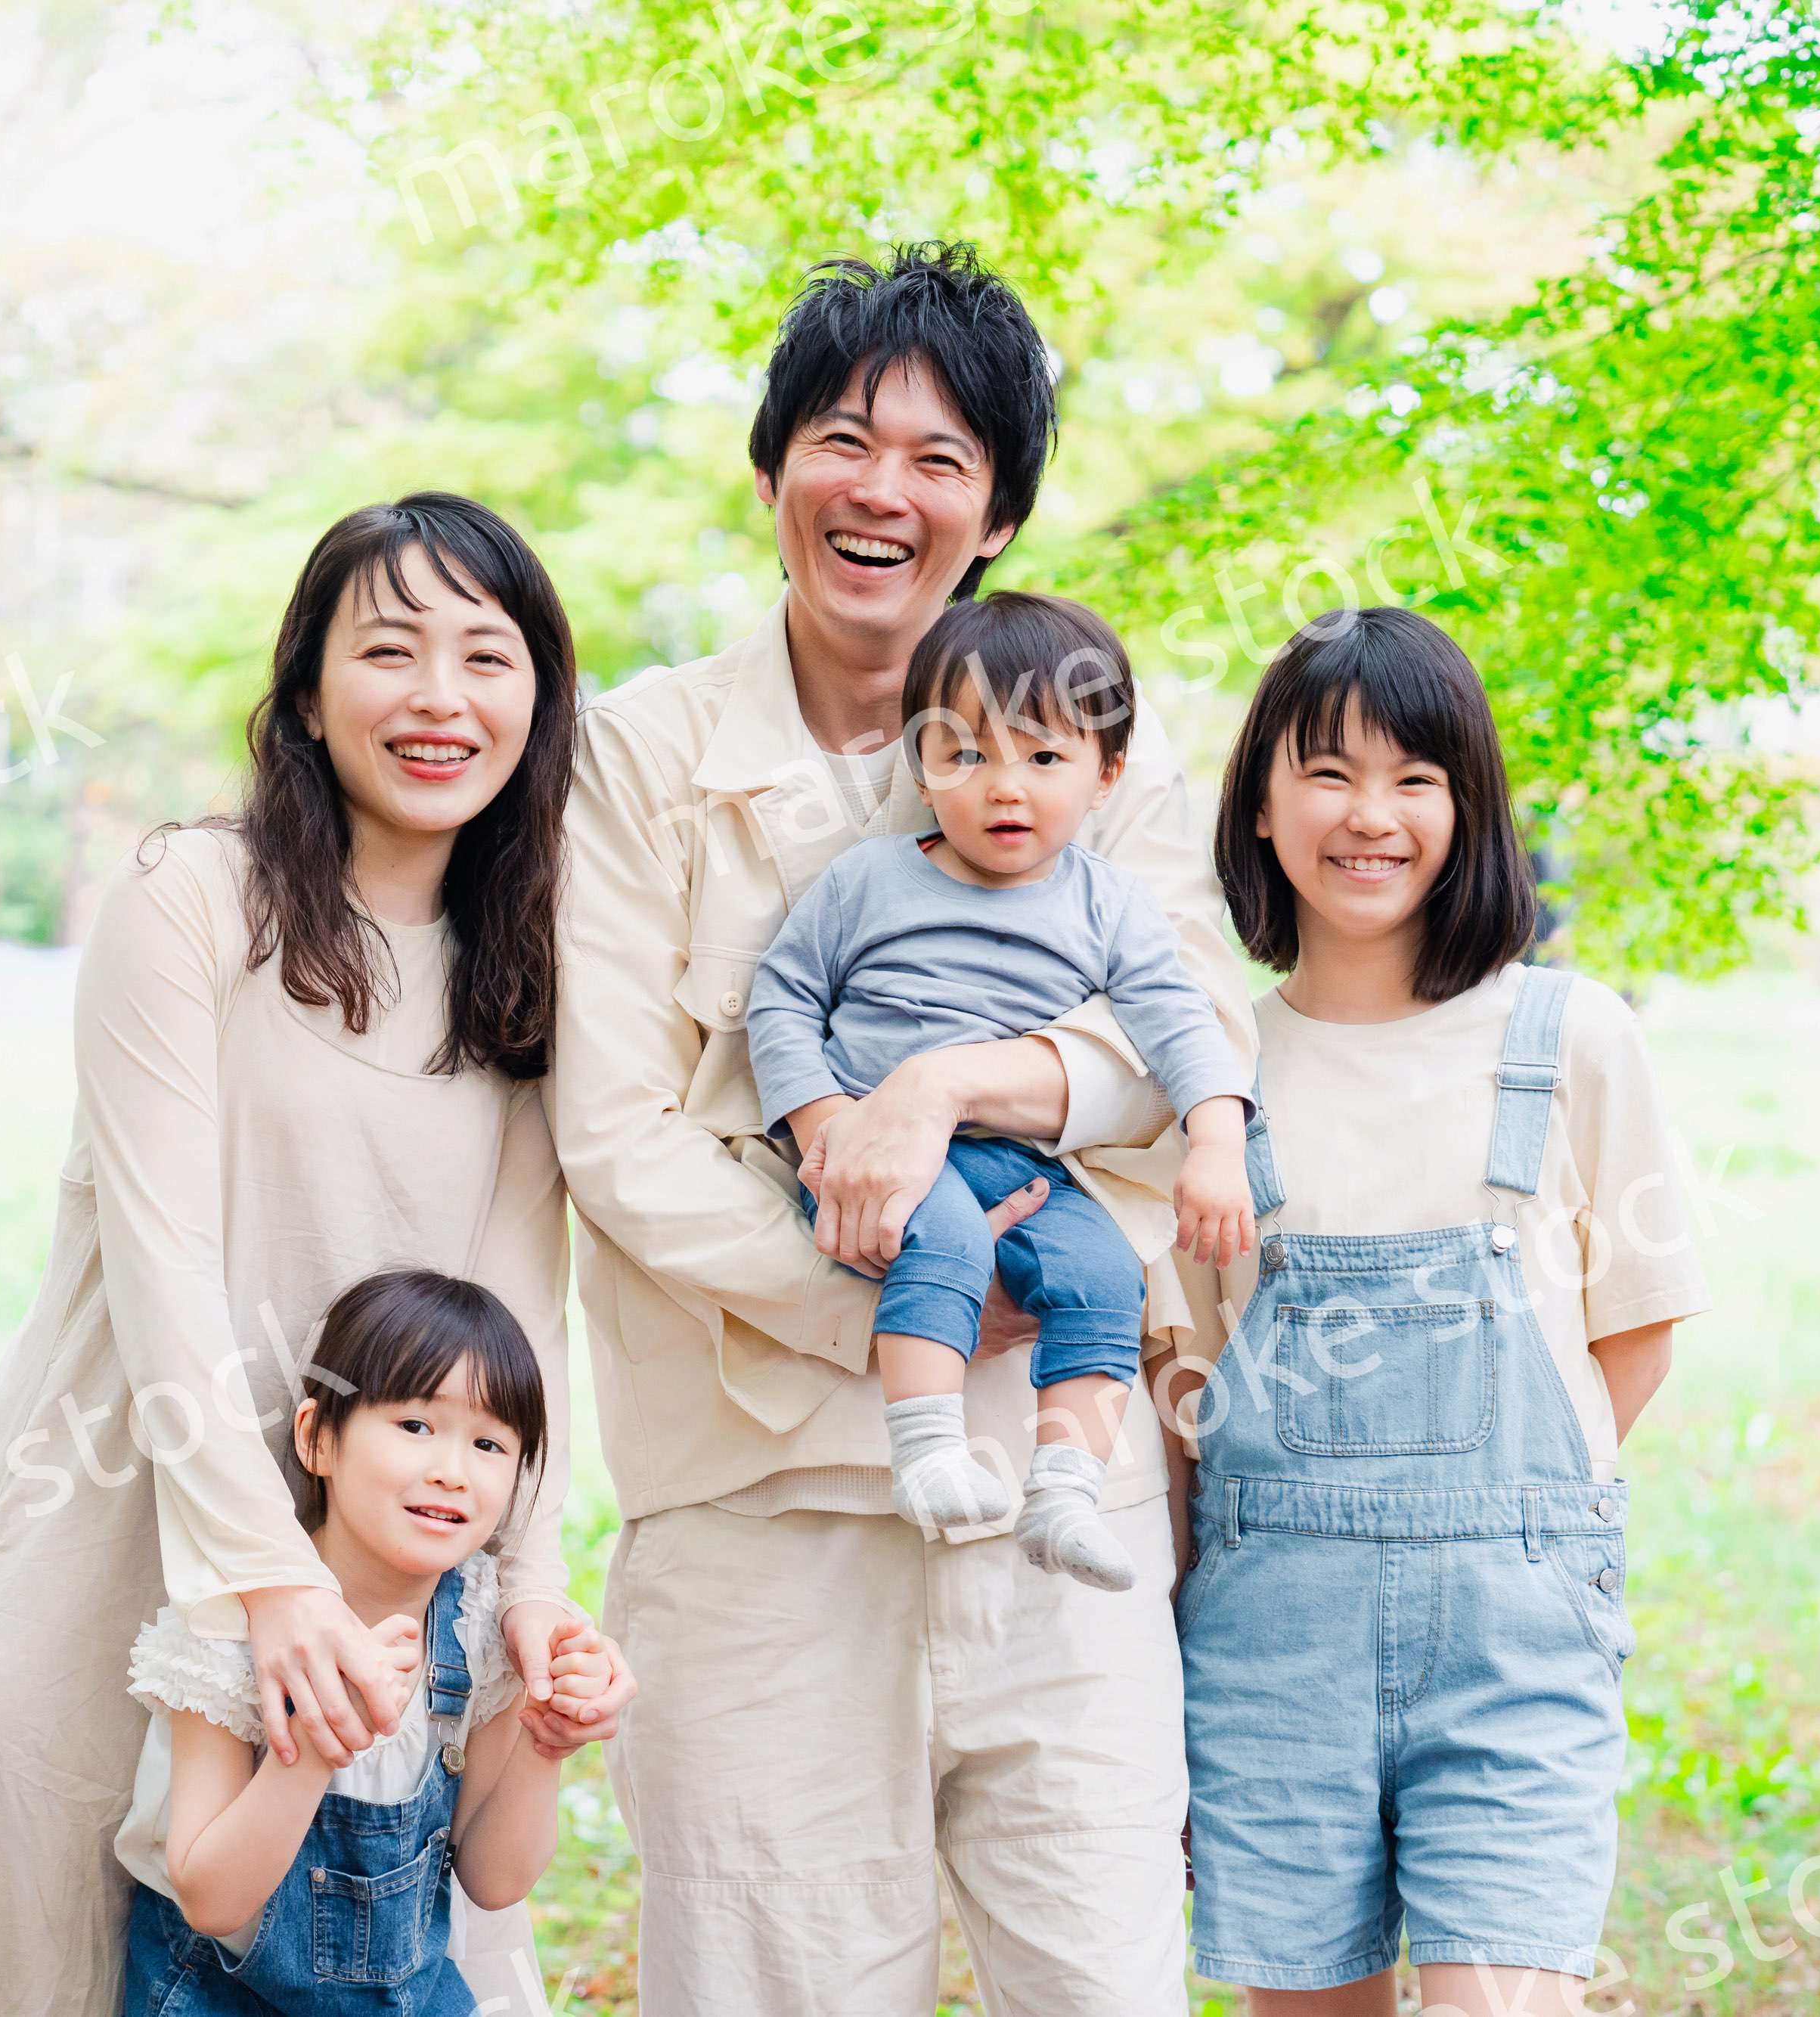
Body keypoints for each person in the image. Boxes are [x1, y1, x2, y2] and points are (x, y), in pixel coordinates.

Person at [548, 241, 1254, 2015]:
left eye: (943, 460)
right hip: (758, 1523)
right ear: (772, 464)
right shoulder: (638, 759)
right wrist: (896, 1296)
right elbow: (618, 1137)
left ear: (999, 512)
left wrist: (939, 1089)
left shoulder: (1103, 736)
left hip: (1059, 1509)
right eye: (846, 441)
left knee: (1102, 1983)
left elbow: (1190, 1055)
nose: (885, 492)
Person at [0, 494, 634, 2016]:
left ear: (539, 700)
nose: (439, 696)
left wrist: (528, 1588)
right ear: (304, 689)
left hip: (389, 1571)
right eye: (389, 649)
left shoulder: (534, 966)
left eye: (487, 656)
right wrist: (267, 1582)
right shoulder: (193, 900)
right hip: (108, 1532)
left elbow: (509, 1330)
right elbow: (164, 1274)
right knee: (68, 1973)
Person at [1174, 607, 1710, 2015]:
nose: (1373, 815)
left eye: (1418, 777)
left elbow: (1628, 1345)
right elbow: (1189, 1388)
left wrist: (1504, 1517)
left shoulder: (1572, 1034)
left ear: (1468, 807)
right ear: (1262, 803)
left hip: (1516, 1627)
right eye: (1330, 771)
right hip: (1271, 1637)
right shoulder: (1213, 1064)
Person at [744, 592, 1254, 1593]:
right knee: (946, 1236)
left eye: (1044, 757)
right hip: (880, 1155)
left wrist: (1217, 1139)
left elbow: (1181, 1021)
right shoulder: (868, 882)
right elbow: (782, 997)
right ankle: (927, 1448)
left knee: (1108, 1269)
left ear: (1107, 775)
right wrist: (824, 1123)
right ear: (921, 762)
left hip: (1028, 1159)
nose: (1004, 787)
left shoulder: (1107, 902)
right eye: (967, 754)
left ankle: (1064, 1488)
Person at [119, 1270, 628, 2015]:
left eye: (489, 1443)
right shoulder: (231, 1627)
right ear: (317, 1439)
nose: (451, 1471)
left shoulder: (478, 1629)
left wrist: (544, 1747)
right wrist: (321, 1743)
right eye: (415, 1426)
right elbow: (211, 1901)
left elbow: (494, 1880)